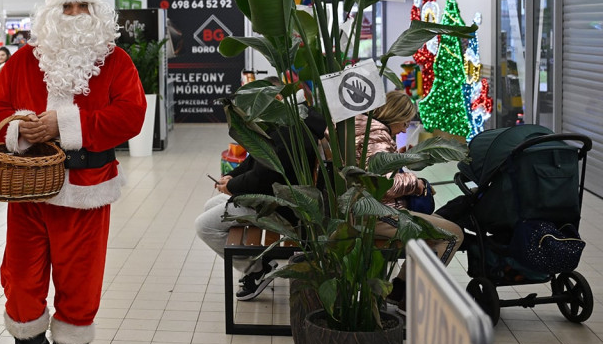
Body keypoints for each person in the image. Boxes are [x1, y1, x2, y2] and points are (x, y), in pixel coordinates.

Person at [0, 0, 146, 344]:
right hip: (30, 192)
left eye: (83, 6)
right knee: (20, 279)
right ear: (51, 13)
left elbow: (130, 115)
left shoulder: (117, 62)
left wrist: (65, 125)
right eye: (67, 6)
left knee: (80, 285)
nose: (75, 14)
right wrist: (20, 126)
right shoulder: (22, 61)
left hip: (86, 191)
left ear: (96, 12)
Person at [195, 86, 327, 300]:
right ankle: (258, 260)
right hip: (279, 198)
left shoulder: (289, 130)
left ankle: (257, 270)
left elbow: (261, 178)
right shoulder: (295, 120)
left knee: (204, 226)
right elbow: (257, 160)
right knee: (211, 207)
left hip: (281, 208)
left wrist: (232, 187)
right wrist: (233, 178)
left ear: (276, 99)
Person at [359, 90, 463, 310]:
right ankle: (414, 300)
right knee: (452, 234)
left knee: (436, 229)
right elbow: (384, 183)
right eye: (404, 123)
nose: (405, 129)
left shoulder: (365, 129)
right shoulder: (377, 134)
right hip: (376, 214)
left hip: (370, 210)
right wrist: (417, 184)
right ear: (393, 116)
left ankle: (399, 291)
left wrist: (400, 158)